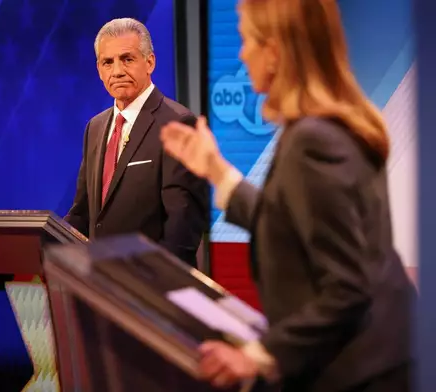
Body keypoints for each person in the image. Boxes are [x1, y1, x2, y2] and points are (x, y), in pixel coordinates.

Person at [161, 0, 415, 391]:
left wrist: (255, 356)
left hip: (359, 374)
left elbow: (348, 288)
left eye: (247, 39)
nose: (242, 53)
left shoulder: (312, 141)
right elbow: (289, 220)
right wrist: (215, 169)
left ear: (276, 51)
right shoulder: (332, 125)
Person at [65, 18, 209, 266]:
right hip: (99, 286)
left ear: (150, 62)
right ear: (99, 70)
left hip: (150, 290)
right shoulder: (95, 127)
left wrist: (147, 286)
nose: (117, 71)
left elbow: (182, 229)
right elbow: (82, 214)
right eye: (107, 62)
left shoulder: (178, 123)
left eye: (127, 59)